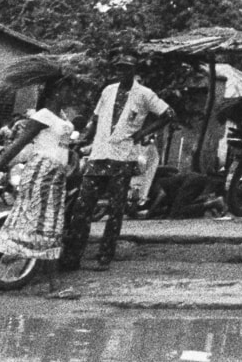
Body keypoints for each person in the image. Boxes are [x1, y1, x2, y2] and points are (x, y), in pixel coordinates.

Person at [0, 82, 85, 300]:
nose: (71, 93)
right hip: (42, 175)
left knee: (39, 226)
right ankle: (54, 286)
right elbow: (15, 146)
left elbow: (61, 145)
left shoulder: (61, 117)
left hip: (56, 176)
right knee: (42, 226)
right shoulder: (43, 115)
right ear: (54, 92)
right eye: (66, 89)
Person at [66, 52, 174, 271]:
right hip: (99, 154)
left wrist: (144, 132)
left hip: (123, 157)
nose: (122, 71)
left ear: (134, 70)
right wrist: (84, 137)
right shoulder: (108, 91)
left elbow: (169, 114)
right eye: (119, 67)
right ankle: (73, 256)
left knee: (115, 210)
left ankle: (105, 255)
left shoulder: (144, 94)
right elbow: (95, 119)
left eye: (127, 67)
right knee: (83, 206)